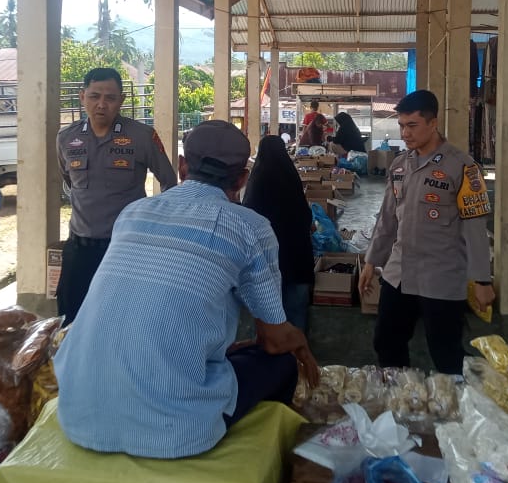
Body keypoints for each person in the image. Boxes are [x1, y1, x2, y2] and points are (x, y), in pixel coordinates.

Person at [55, 120, 320, 459]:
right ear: (241, 179)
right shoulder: (250, 227)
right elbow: (273, 338)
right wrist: (299, 343)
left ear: (182, 167)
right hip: (174, 433)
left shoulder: (133, 213)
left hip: (78, 416)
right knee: (281, 363)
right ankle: (268, 459)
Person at [358, 90, 494, 375]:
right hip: (399, 274)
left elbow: (475, 228)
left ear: (433, 123)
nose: (405, 133)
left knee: (445, 353)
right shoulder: (399, 165)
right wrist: (371, 261)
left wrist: (481, 279)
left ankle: (454, 407)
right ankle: (402, 395)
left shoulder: (463, 167)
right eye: (401, 126)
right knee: (386, 341)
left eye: (412, 125)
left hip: (441, 278)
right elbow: (387, 219)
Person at [56, 67, 178, 324]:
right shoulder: (66, 138)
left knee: (123, 321)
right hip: (79, 249)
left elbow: (169, 183)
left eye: (110, 97)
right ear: (82, 96)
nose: (101, 104)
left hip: (126, 250)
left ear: (121, 100)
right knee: (71, 320)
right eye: (94, 96)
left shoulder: (141, 137)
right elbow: (70, 182)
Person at [243, 135, 315, 330]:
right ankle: (297, 357)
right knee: (296, 314)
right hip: (297, 259)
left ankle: (271, 358)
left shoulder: (256, 180)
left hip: (266, 262)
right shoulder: (290, 176)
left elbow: (247, 218)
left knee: (268, 320)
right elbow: (306, 217)